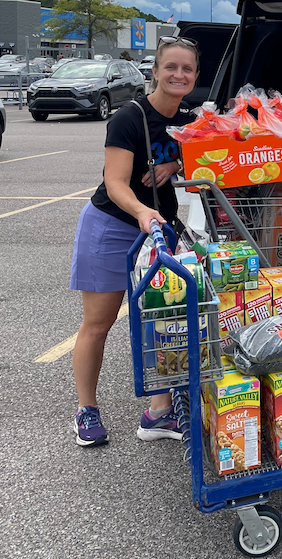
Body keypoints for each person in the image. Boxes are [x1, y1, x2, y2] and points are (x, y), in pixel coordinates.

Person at [69, 36, 199, 447]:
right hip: (114, 224)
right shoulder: (129, 118)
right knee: (98, 323)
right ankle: (86, 410)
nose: (179, 75)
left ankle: (158, 413)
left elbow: (208, 152)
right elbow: (116, 182)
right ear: (155, 70)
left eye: (187, 69)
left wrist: (174, 163)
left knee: (163, 322)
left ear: (195, 77)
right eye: (171, 67)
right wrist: (141, 212)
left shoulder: (192, 120)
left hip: (161, 226)